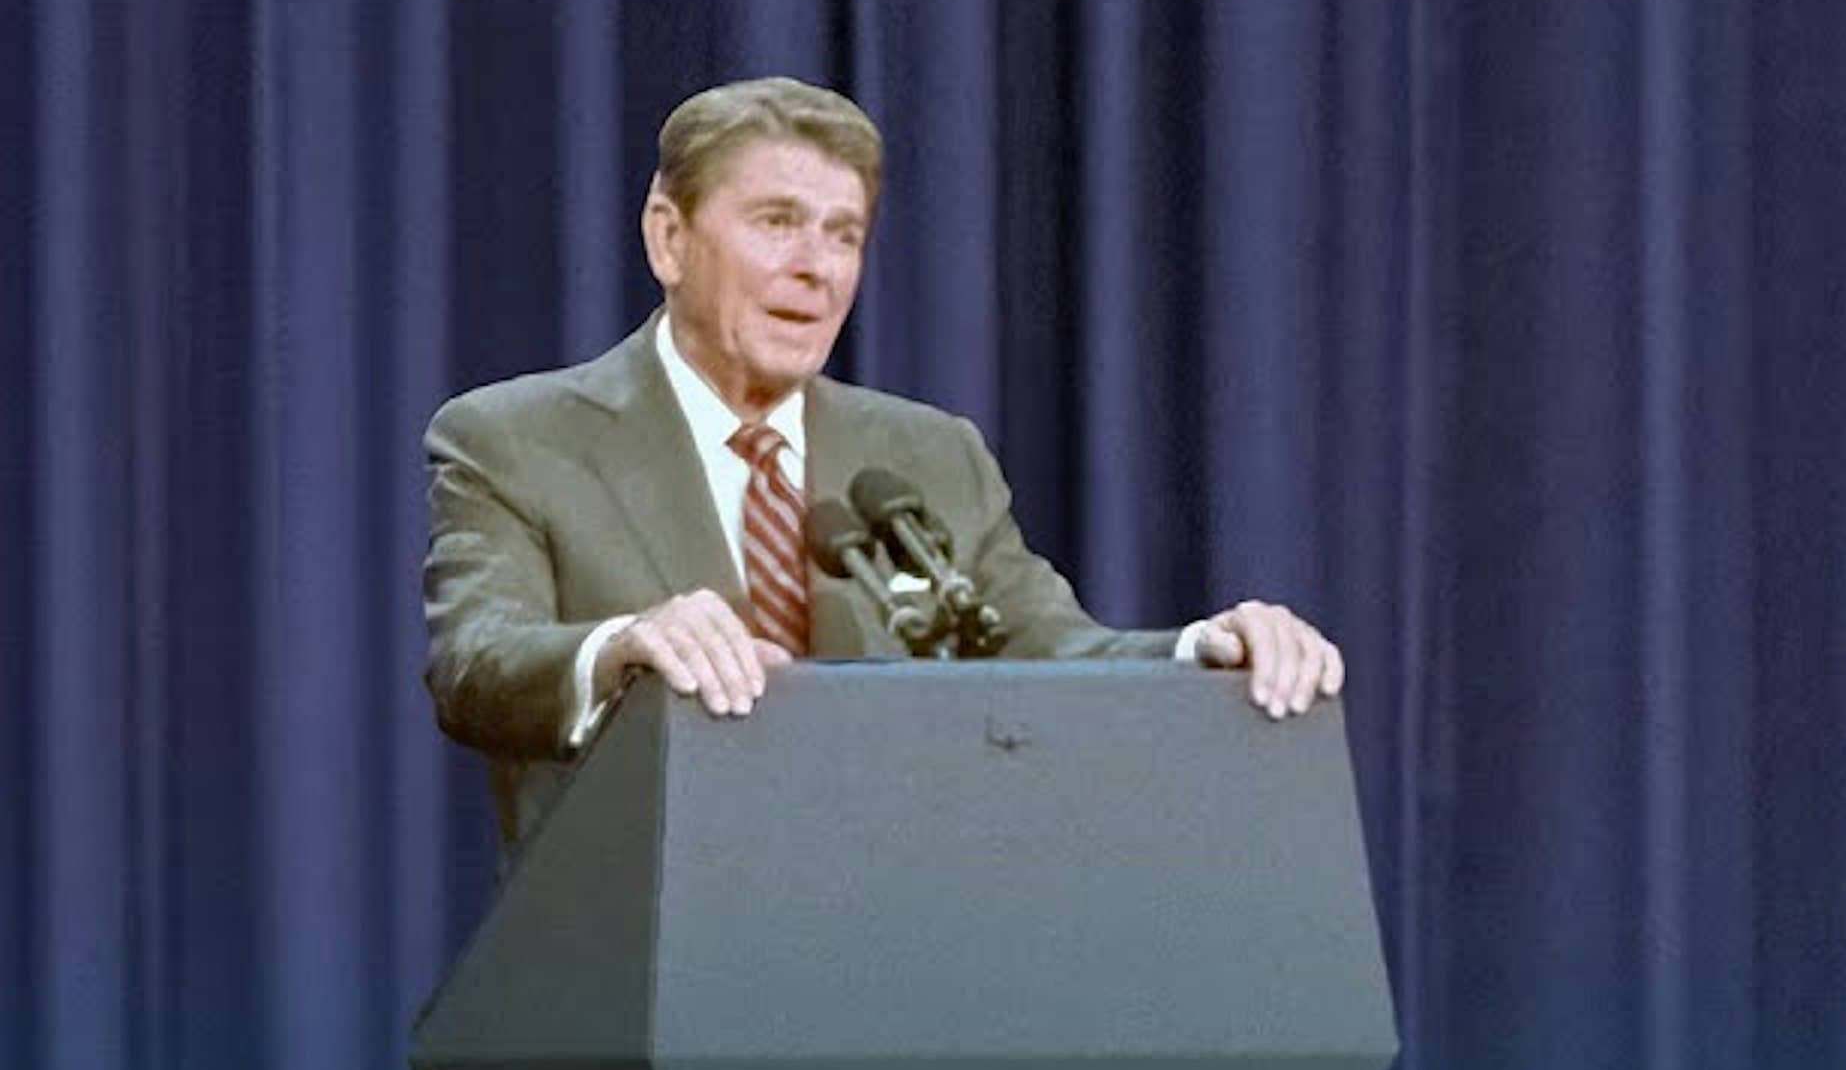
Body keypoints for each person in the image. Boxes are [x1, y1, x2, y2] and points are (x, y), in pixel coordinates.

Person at [423, 77, 1340, 841]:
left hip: (900, 966)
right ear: (669, 236)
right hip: (627, 972)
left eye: (844, 234)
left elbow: (1049, 650)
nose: (816, 267)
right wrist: (620, 646)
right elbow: (477, 663)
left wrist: (1201, 654)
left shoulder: (927, 456)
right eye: (777, 222)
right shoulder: (517, 440)